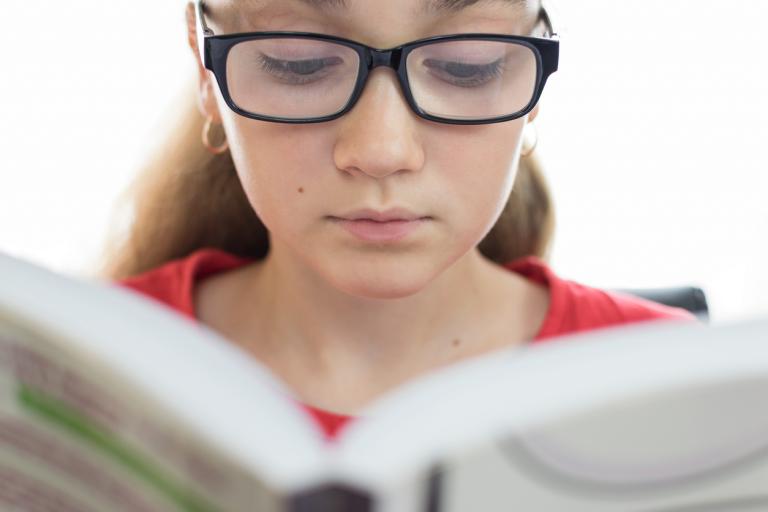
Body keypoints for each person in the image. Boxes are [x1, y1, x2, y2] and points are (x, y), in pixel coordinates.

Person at [99, 0, 693, 440]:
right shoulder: (65, 371)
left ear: (534, 78)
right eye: (299, 64)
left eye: (467, 66)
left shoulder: (684, 386)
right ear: (205, 69)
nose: (382, 150)